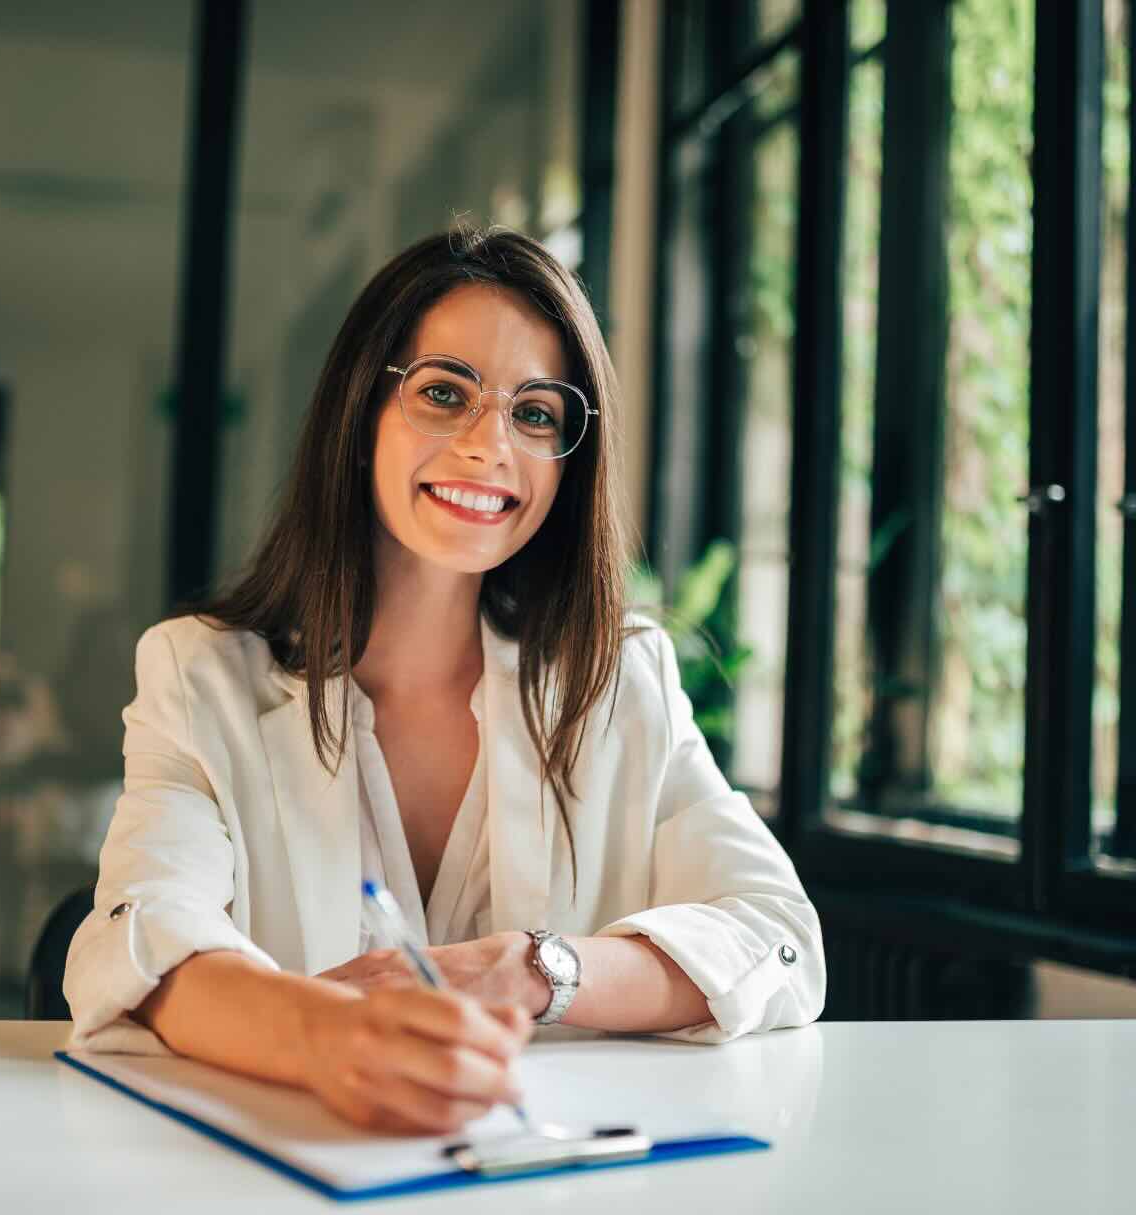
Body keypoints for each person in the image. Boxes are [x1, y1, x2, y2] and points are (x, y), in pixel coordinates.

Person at [65, 224, 825, 1137]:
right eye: (443, 393)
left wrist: (533, 971)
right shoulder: (200, 673)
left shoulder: (622, 677)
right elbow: (140, 937)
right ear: (360, 415)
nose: (488, 445)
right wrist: (328, 1037)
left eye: (535, 414)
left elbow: (780, 938)